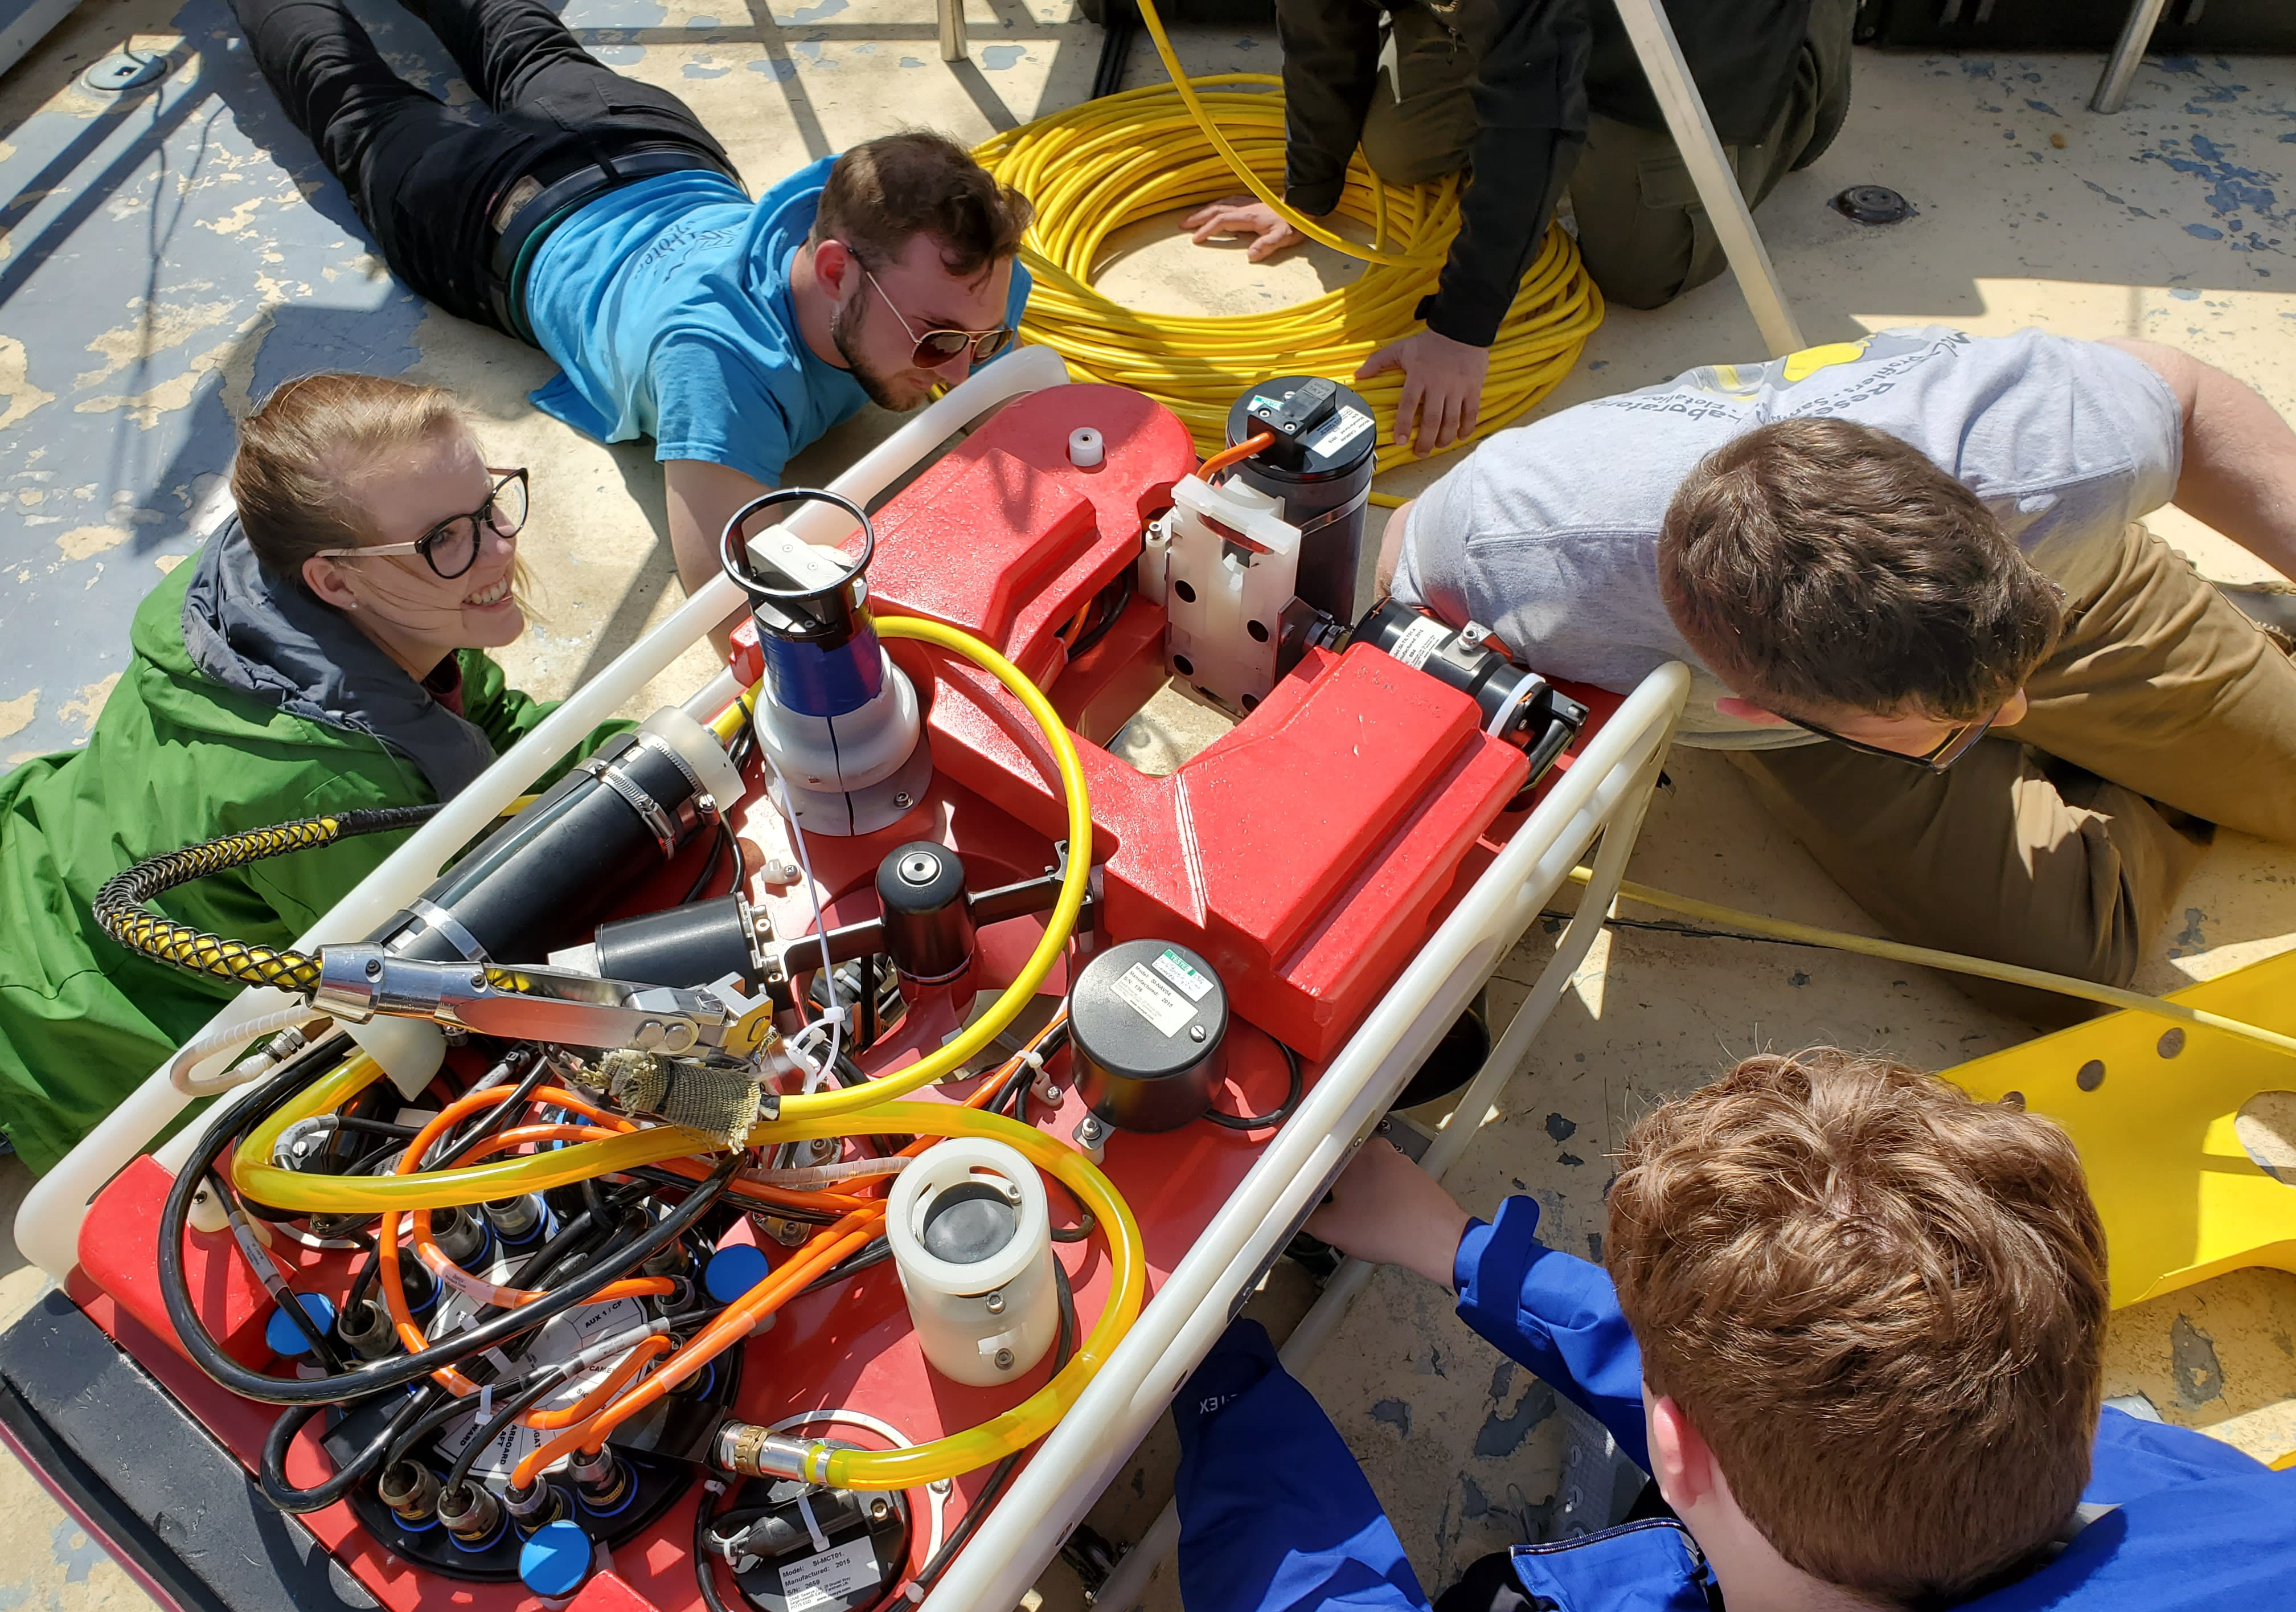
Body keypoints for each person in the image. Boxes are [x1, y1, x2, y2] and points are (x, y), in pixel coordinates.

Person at [1173, 1050, 2296, 1612]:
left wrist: (1204, 1363)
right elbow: (1822, 1390)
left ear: (1673, 1444)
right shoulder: (2215, 1502)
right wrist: (1468, 1253)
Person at [1375, 325, 2296, 1012]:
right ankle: (2169, 746)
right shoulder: (1509, 558)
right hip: (1804, 697)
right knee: (2058, 967)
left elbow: (2184, 395)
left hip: (2062, 582)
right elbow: (1399, 573)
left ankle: (2139, 704)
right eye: (1961, 726)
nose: (2011, 708)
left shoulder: (2039, 450)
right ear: (1749, 706)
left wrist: (1987, 667)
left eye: (2001, 689)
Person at [0, 373, 624, 1177]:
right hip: (60, 1021)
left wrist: (657, 745)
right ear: (334, 579)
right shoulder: (330, 783)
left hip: (44, 855)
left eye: (490, 504)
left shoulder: (308, 596)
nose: (500, 546)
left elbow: (487, 727)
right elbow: (428, 988)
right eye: (446, 538)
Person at [231, 0, 1033, 609]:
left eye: (985, 340)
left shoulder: (953, 268)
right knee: (340, 82)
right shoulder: (721, 365)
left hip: (649, 142)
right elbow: (737, 606)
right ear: (834, 270)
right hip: (494, 210)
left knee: (511, 22)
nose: (965, 372)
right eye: (936, 345)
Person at [1182, 0, 1855, 453]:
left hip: (1681, 24)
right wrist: (1311, 191)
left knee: (1644, 273)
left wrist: (1459, 329)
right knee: (1396, 153)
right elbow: (1320, 26)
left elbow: (1532, 110)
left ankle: (1808, 53)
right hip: (1522, 12)